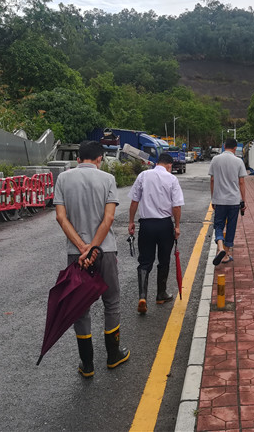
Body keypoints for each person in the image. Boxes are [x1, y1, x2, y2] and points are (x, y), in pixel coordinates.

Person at [54, 140, 129, 378]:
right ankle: (113, 355)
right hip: (105, 250)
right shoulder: (107, 179)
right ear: (99, 159)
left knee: (80, 307)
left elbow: (61, 217)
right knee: (111, 301)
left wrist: (82, 248)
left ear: (78, 159)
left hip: (76, 255)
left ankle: (87, 365)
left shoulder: (63, 179)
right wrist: (94, 248)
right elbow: (108, 219)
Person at [128, 152, 184, 314]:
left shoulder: (143, 176)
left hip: (146, 225)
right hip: (164, 225)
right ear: (169, 165)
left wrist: (131, 222)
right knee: (164, 260)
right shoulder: (172, 179)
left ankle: (142, 297)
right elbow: (176, 206)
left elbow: (134, 201)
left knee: (145, 261)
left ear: (157, 162)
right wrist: (177, 226)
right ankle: (161, 294)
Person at [208, 138, 247, 265]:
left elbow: (212, 180)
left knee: (218, 225)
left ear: (224, 146)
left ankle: (220, 247)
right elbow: (241, 182)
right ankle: (226, 254)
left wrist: (213, 198)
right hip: (234, 200)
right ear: (235, 148)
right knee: (231, 226)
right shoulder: (238, 161)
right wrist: (243, 200)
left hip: (219, 200)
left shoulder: (215, 159)